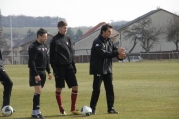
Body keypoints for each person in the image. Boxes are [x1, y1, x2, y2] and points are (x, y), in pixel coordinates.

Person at [89, 24, 126, 114]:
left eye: (111, 32)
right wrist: (116, 52)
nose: (110, 33)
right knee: (96, 90)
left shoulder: (110, 41)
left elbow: (115, 52)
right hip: (98, 69)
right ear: (103, 32)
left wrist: (121, 56)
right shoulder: (97, 42)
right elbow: (104, 54)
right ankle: (92, 109)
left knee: (110, 89)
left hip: (108, 69)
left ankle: (111, 108)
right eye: (109, 32)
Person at [50, 21, 80, 115]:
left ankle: (73, 109)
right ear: (59, 28)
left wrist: (73, 65)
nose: (65, 30)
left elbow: (71, 53)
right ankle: (61, 109)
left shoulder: (68, 38)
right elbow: (51, 57)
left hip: (69, 66)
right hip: (59, 67)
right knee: (59, 88)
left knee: (75, 87)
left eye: (66, 28)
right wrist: (55, 70)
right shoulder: (54, 40)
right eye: (64, 28)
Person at [28, 28, 52, 118]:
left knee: (39, 92)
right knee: (38, 90)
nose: (46, 38)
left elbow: (46, 60)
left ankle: (34, 113)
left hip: (43, 72)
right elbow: (31, 62)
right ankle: (37, 111)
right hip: (36, 72)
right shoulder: (33, 46)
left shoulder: (45, 46)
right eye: (44, 37)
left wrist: (49, 71)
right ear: (39, 36)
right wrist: (35, 74)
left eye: (46, 37)